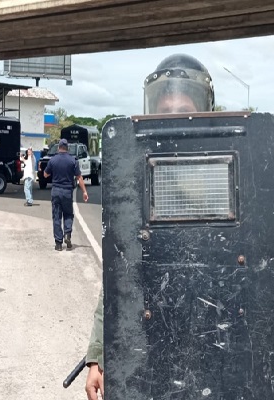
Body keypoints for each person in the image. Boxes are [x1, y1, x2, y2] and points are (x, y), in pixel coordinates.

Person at [85, 53, 215, 400]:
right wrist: (97, 357)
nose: (175, 116)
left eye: (183, 107)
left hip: (211, 340)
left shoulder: (225, 173)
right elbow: (118, 275)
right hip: (149, 342)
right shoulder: (135, 178)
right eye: (166, 107)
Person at [43, 138, 88, 251]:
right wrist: (84, 192)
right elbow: (79, 177)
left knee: (56, 216)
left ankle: (58, 243)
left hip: (56, 190)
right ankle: (67, 234)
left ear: (59, 147)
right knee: (68, 214)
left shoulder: (53, 160)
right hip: (67, 191)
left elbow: (45, 175)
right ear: (67, 148)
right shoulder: (73, 160)